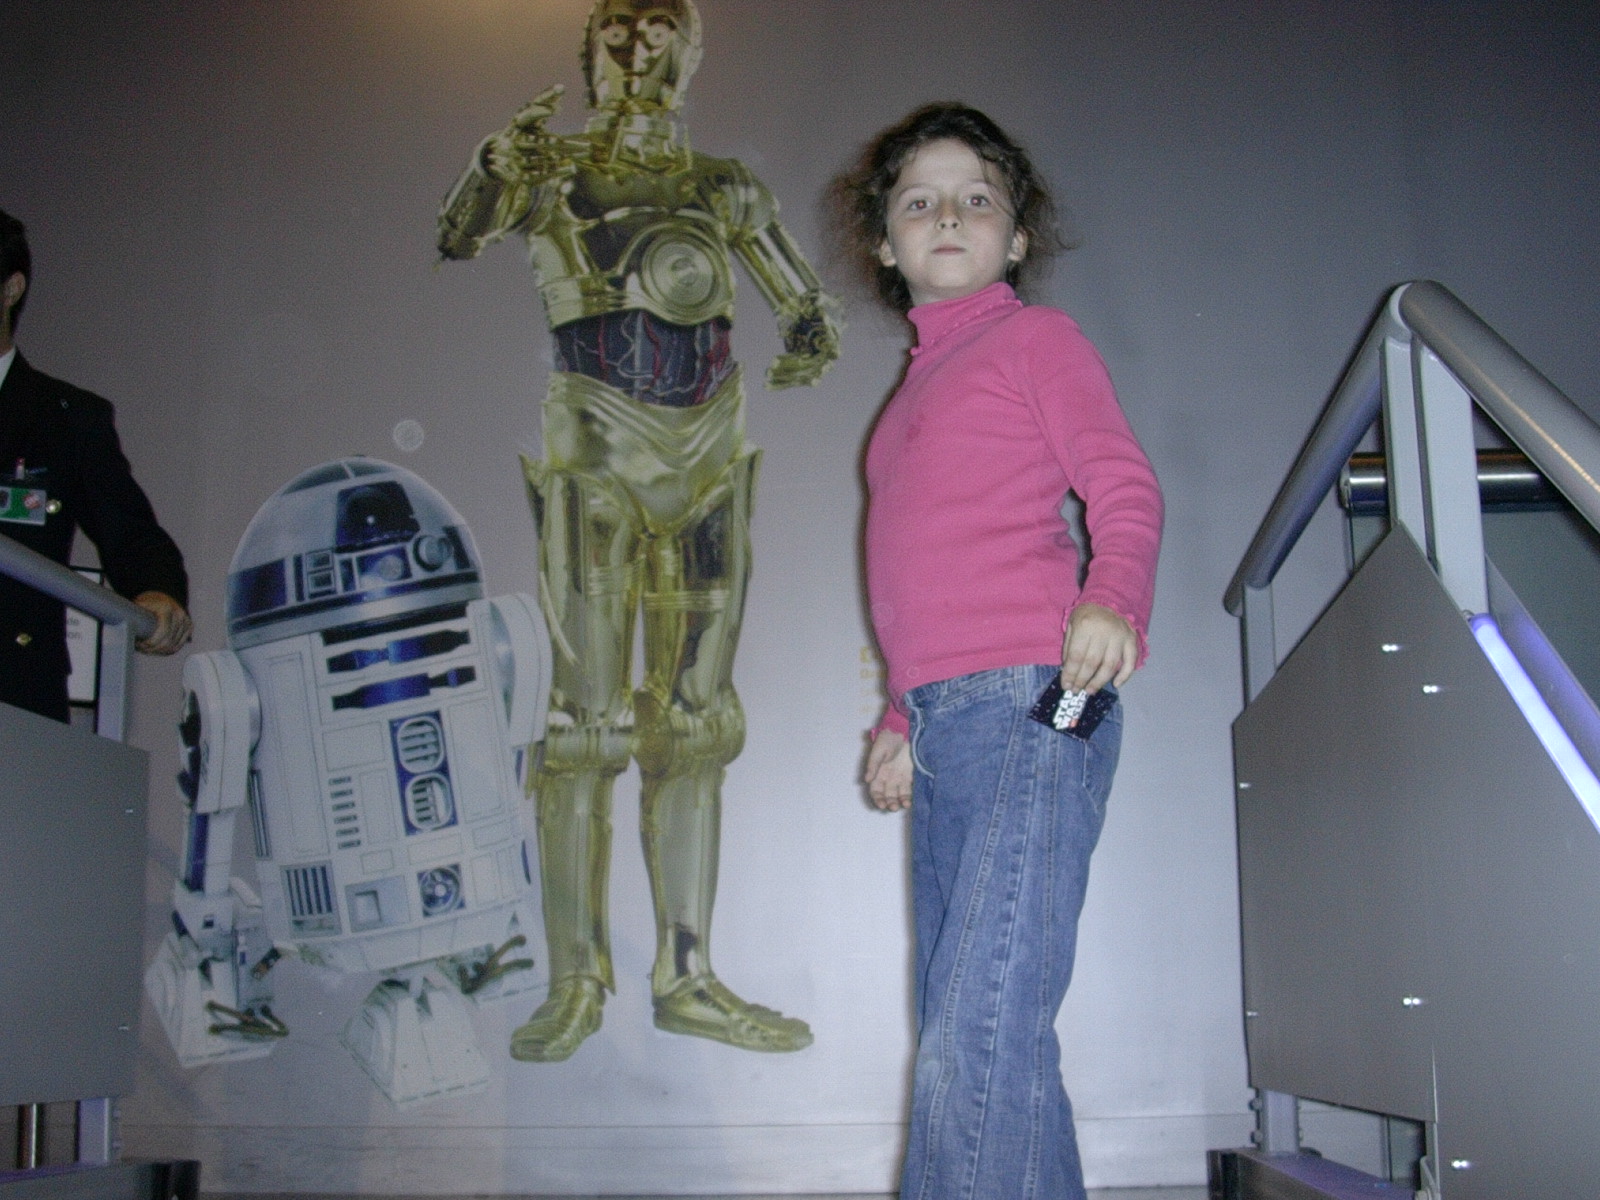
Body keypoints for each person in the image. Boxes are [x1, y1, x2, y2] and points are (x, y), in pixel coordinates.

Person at [437, 0, 839, 1060]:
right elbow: (462, 230)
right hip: (598, 453)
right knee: (580, 730)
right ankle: (577, 980)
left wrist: (811, 332)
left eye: (660, 27)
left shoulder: (723, 186)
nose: (635, 46)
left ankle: (687, 975)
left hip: (707, 453)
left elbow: (802, 304)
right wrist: (493, 165)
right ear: (590, 50)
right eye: (616, 26)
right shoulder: (551, 169)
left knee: (697, 726)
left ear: (688, 49)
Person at [840, 105, 1164, 1199]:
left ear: (1016, 238)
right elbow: (918, 584)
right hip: (948, 725)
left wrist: (1112, 598)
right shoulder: (904, 402)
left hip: (1036, 698)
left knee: (976, 1027)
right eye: (919, 201)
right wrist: (900, 717)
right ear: (885, 243)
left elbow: (1123, 484)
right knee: (979, 1022)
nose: (948, 215)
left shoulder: (1035, 341)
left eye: (976, 199)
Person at [0, 207, 191, 724]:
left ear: (11, 288)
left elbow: (131, 534)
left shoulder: (65, 418)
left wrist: (156, 591)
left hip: (13, 698)